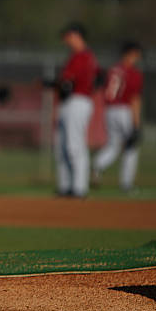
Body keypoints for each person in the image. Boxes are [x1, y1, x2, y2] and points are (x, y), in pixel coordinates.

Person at [53, 22, 99, 198]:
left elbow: (68, 82)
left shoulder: (84, 57)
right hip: (69, 102)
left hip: (78, 101)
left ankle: (79, 188)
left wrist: (53, 83)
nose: (66, 40)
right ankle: (66, 186)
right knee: (62, 147)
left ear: (78, 35)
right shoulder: (75, 57)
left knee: (75, 146)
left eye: (69, 36)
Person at [93, 41, 143, 192]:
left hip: (109, 111)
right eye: (136, 54)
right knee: (131, 148)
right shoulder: (133, 73)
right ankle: (126, 184)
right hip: (124, 111)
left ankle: (97, 164)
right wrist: (136, 123)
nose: (138, 58)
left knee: (113, 146)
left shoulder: (112, 70)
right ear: (131, 53)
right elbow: (134, 99)